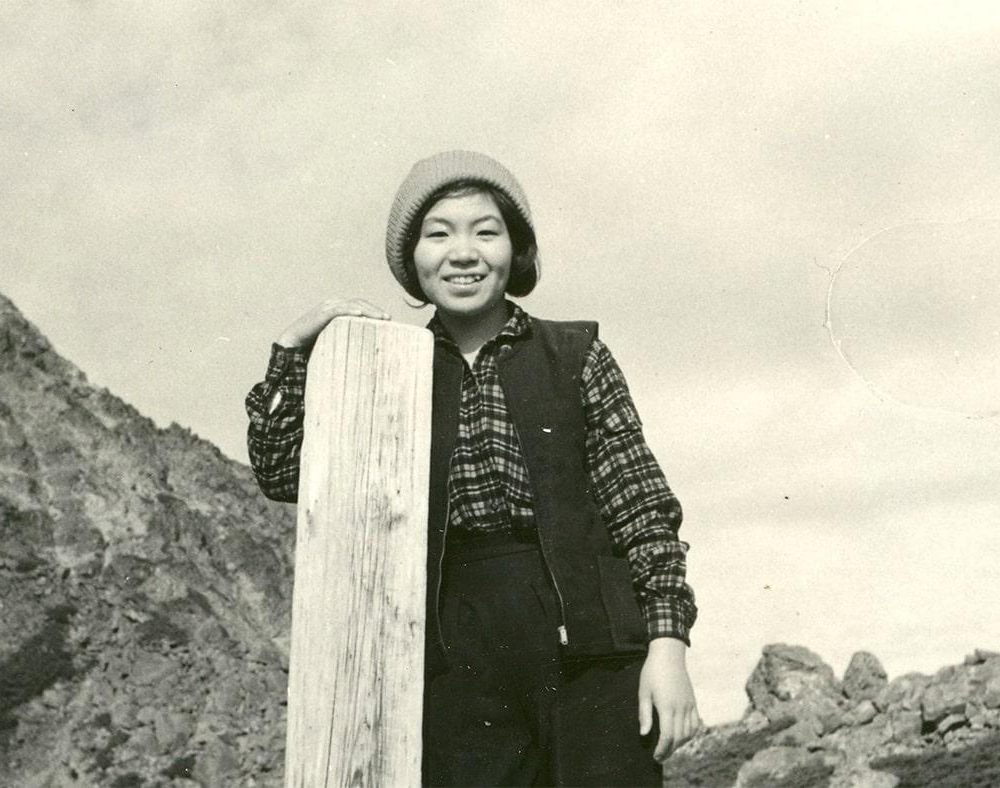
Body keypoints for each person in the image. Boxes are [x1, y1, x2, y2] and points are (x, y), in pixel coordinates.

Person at [246, 150, 700, 786]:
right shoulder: (385, 370)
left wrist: (667, 647)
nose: (463, 252)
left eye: (486, 231)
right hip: (454, 655)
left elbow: (643, 508)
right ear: (412, 259)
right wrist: (294, 350)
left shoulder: (576, 354)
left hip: (594, 652)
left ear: (516, 251)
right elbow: (280, 474)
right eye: (439, 233)